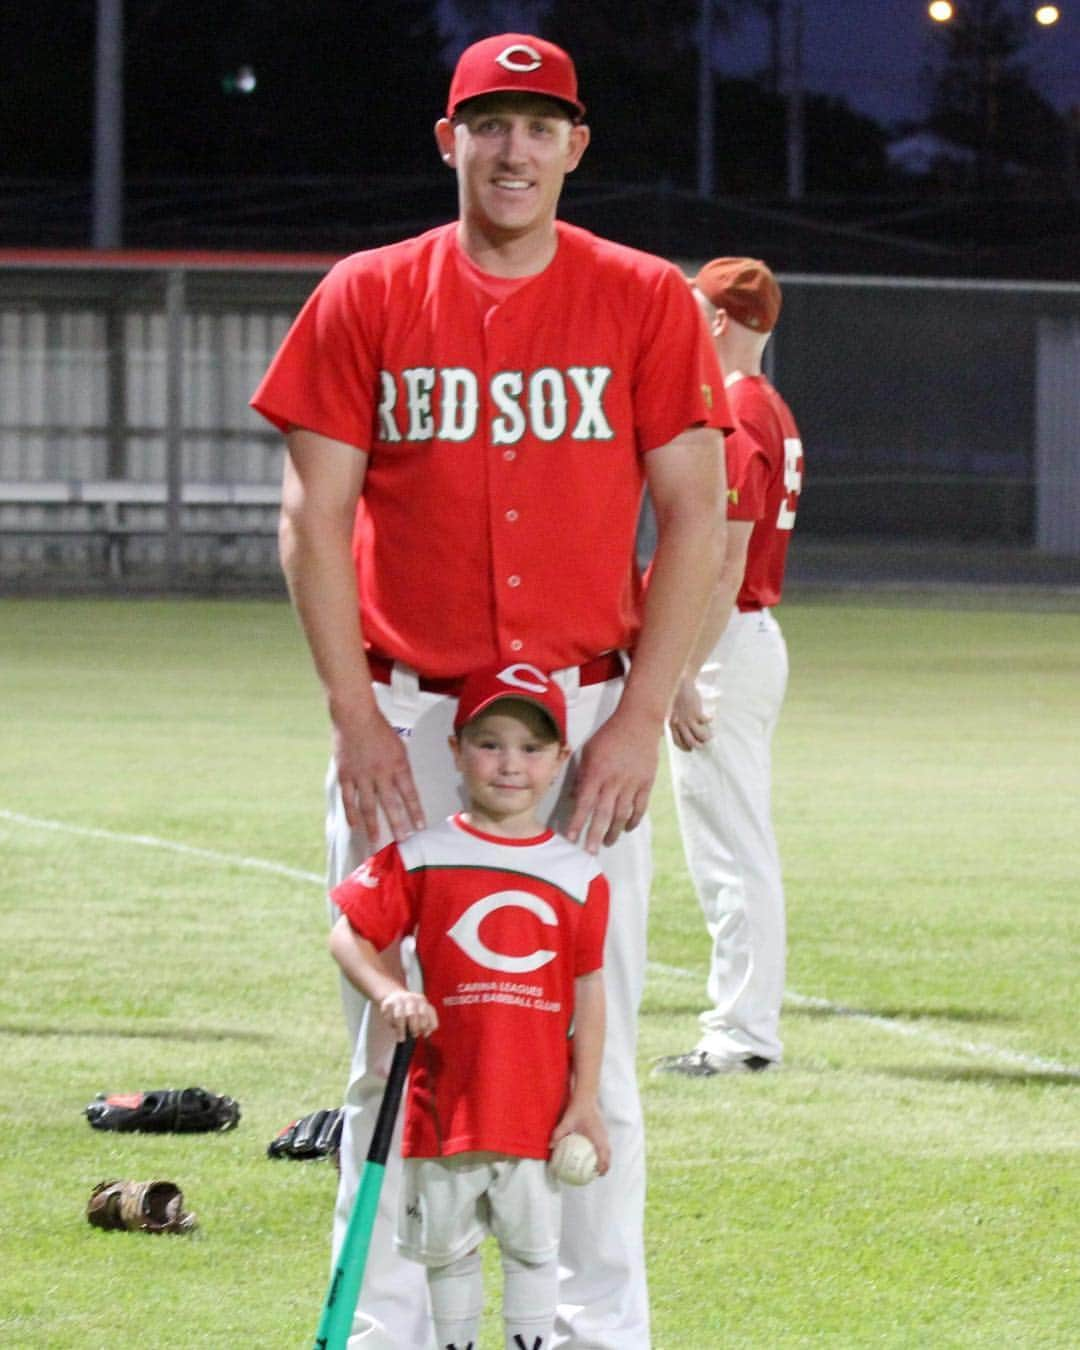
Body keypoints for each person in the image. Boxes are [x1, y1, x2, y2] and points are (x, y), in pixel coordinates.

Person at [250, 31, 729, 1350]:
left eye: (539, 125)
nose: (512, 149)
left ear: (576, 146)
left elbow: (697, 510)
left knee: (589, 1041)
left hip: (582, 723)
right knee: (394, 1043)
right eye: (488, 123)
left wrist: (640, 712)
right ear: (447, 139)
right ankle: (394, 1325)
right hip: (408, 716)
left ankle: (584, 1327)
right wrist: (354, 719)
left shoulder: (642, 298)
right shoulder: (366, 292)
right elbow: (313, 515)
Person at [329, 666, 610, 1350]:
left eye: (531, 748)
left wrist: (587, 1100)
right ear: (455, 751)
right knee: (446, 1254)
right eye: (490, 743)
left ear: (559, 761)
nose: (510, 764)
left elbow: (590, 992)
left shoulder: (579, 876)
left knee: (534, 1252)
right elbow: (348, 933)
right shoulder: (423, 856)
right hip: (442, 1106)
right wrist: (390, 991)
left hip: (533, 1107)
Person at [655, 257, 804, 1078]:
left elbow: (721, 560)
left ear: (716, 321)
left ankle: (743, 1036)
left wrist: (679, 667)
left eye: (690, 306)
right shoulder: (768, 404)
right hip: (741, 639)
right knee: (732, 843)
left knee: (731, 851)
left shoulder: (738, 411)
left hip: (724, 642)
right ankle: (742, 1027)